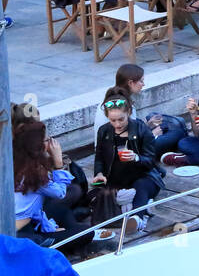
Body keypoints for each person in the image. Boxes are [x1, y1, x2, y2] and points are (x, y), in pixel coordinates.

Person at [92, 90, 163, 230]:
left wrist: (136, 158)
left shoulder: (141, 129)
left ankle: (137, 217)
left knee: (141, 186)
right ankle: (140, 205)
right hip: (115, 180)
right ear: (107, 117)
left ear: (129, 113)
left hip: (142, 176)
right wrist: (99, 174)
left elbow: (151, 161)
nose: (117, 124)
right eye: (113, 120)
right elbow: (99, 157)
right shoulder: (104, 131)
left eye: (121, 119)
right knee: (95, 196)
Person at [13, 119, 90, 243]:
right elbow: (60, 193)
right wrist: (58, 163)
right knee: (87, 232)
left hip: (32, 219)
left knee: (64, 211)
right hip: (27, 235)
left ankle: (64, 231)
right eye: (47, 140)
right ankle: (62, 236)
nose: (51, 143)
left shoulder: (18, 160)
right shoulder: (32, 171)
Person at [93, 63, 145, 134]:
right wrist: (154, 133)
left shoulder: (109, 98)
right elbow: (133, 136)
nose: (143, 84)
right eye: (141, 81)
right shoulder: (126, 105)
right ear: (130, 83)